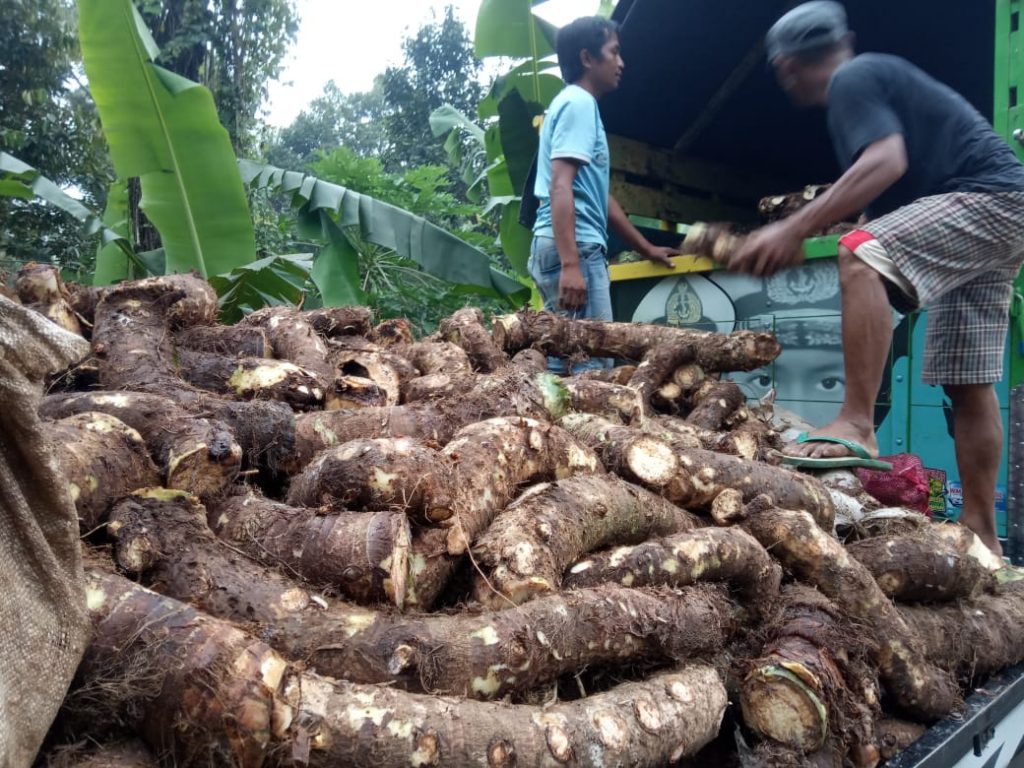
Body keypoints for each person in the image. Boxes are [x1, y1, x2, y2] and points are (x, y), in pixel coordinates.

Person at [727, 0, 1024, 554]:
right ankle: (985, 538)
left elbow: (885, 163)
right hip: (1007, 213)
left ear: (787, 67)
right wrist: (810, 234)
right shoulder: (878, 77)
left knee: (859, 254)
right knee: (967, 381)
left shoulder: (854, 79)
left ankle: (857, 423)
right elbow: (880, 207)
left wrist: (793, 229)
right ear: (845, 38)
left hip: (988, 201)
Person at [530, 15, 679, 372]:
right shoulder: (580, 104)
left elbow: (600, 197)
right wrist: (571, 265)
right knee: (592, 367)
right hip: (574, 246)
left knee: (564, 360)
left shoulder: (573, 105)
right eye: (614, 52)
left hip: (563, 244)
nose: (621, 62)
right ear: (587, 58)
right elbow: (560, 184)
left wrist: (646, 248)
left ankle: (537, 426)